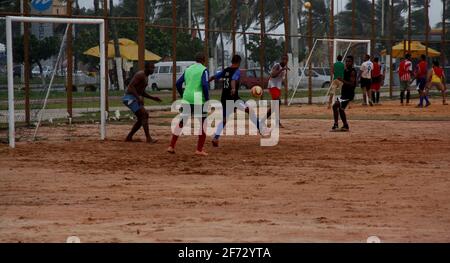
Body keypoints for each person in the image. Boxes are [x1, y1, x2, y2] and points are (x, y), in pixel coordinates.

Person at [208, 55, 268, 147]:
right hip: (233, 98)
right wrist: (233, 88)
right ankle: (261, 129)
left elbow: (214, 77)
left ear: (232, 61)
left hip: (224, 98)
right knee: (250, 110)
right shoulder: (237, 71)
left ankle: (216, 138)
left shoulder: (226, 70)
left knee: (224, 119)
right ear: (239, 62)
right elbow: (233, 80)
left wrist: (205, 82)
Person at [168, 53, 210, 156]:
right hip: (198, 98)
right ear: (204, 60)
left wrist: (183, 94)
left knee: (182, 122)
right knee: (203, 124)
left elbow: (178, 83)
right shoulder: (204, 70)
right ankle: (199, 150)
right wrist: (207, 99)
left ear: (195, 60)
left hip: (187, 98)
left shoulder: (188, 69)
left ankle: (171, 146)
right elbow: (204, 85)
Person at [122, 61, 162, 143]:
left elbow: (141, 92)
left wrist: (153, 98)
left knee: (142, 118)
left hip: (133, 97)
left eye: (154, 68)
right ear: (146, 68)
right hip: (129, 98)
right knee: (144, 114)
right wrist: (138, 98)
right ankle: (148, 138)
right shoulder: (140, 75)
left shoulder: (146, 77)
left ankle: (129, 137)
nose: (153, 69)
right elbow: (130, 87)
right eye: (151, 68)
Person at [331, 55, 357, 132]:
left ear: (352, 62)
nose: (347, 63)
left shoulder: (352, 71)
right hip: (344, 93)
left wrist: (342, 80)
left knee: (335, 106)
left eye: (349, 61)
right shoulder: (345, 70)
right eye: (346, 61)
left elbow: (352, 83)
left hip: (349, 94)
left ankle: (337, 124)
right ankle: (345, 125)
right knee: (340, 109)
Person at [267, 54, 289, 127]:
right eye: (283, 59)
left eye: (286, 59)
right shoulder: (277, 66)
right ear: (281, 59)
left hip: (277, 87)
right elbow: (273, 75)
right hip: (272, 85)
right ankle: (277, 122)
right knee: (278, 101)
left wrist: (285, 85)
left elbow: (281, 79)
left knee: (275, 105)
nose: (285, 61)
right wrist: (281, 70)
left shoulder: (285, 68)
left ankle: (262, 120)